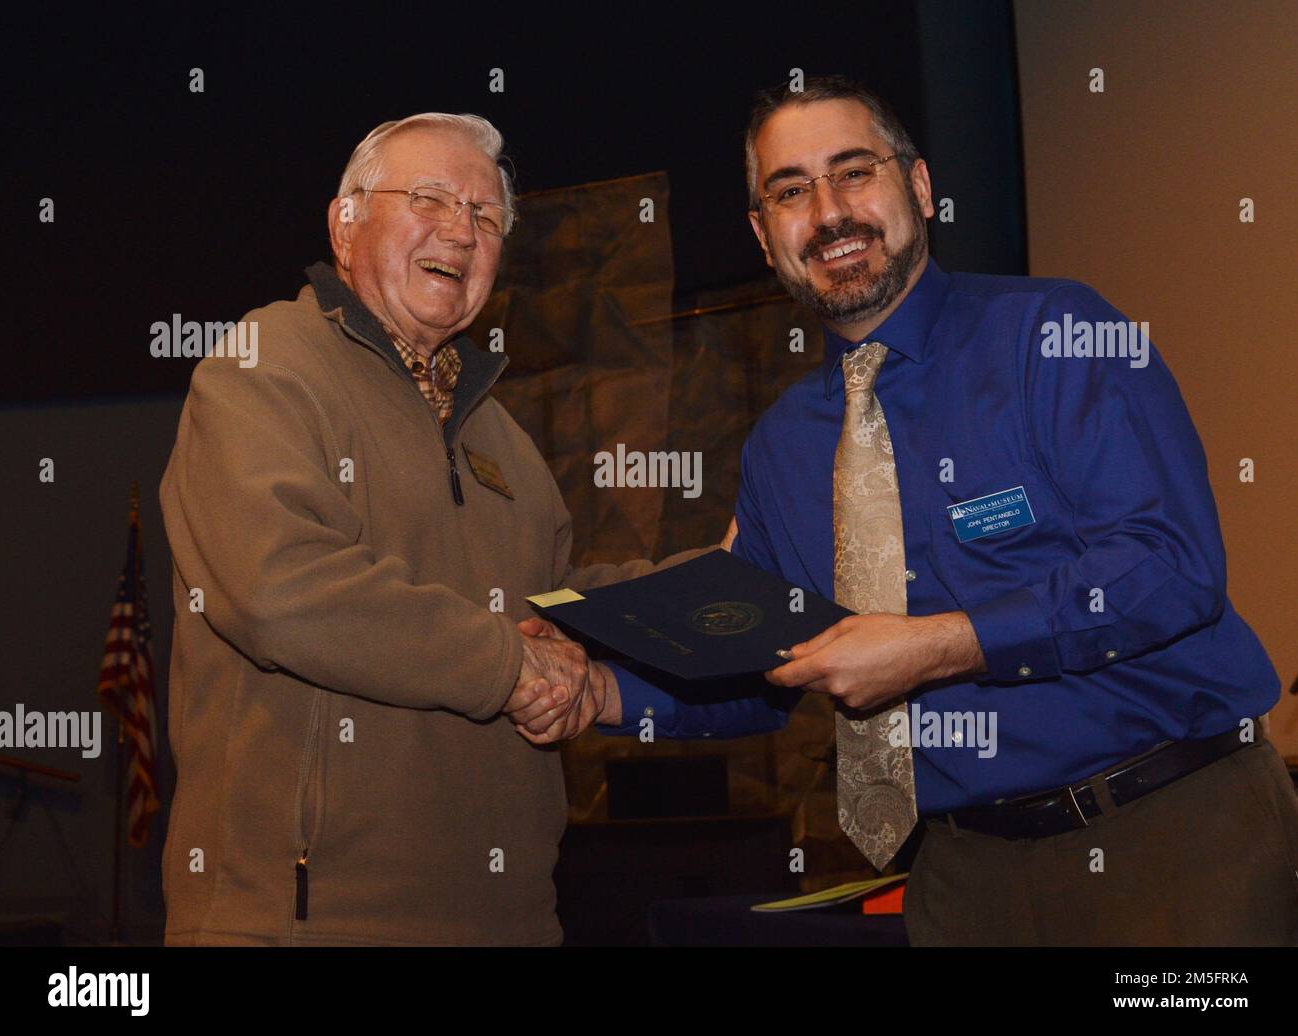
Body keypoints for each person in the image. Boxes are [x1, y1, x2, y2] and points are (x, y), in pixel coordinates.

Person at [520, 76, 1297, 946]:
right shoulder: (781, 448)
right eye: (789, 190)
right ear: (762, 233)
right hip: (962, 880)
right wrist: (601, 691)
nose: (828, 212)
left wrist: (940, 644)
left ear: (920, 188)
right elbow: (765, 666)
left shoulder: (1057, 336)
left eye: (854, 172)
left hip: (1170, 842)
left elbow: (1170, 568)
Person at [159, 112, 682, 946]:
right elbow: (279, 587)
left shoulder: (505, 440)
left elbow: (553, 610)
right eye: (430, 199)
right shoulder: (262, 363)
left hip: (512, 922)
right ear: (346, 222)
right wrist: (511, 665)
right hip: (303, 925)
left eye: (486, 216)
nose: (460, 232)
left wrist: (724, 583)